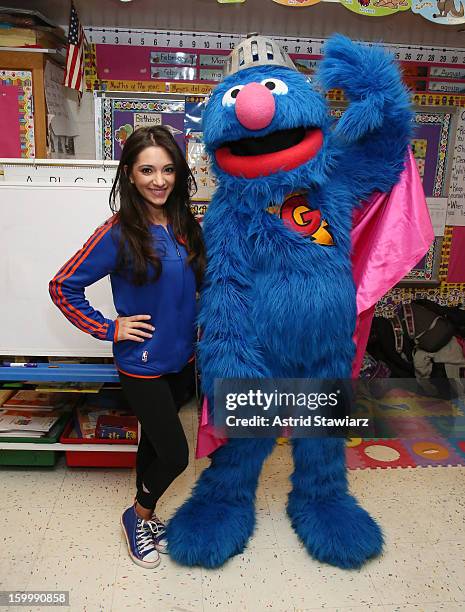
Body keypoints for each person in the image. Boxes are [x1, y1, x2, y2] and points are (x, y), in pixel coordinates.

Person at [49, 125, 205, 569]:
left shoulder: (184, 226)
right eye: (147, 170)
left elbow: (202, 286)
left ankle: (148, 513)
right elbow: (63, 286)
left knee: (155, 445)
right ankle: (137, 515)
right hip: (141, 364)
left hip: (181, 361)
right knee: (176, 454)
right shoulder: (117, 232)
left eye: (168, 169)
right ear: (130, 174)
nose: (159, 180)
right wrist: (108, 328)